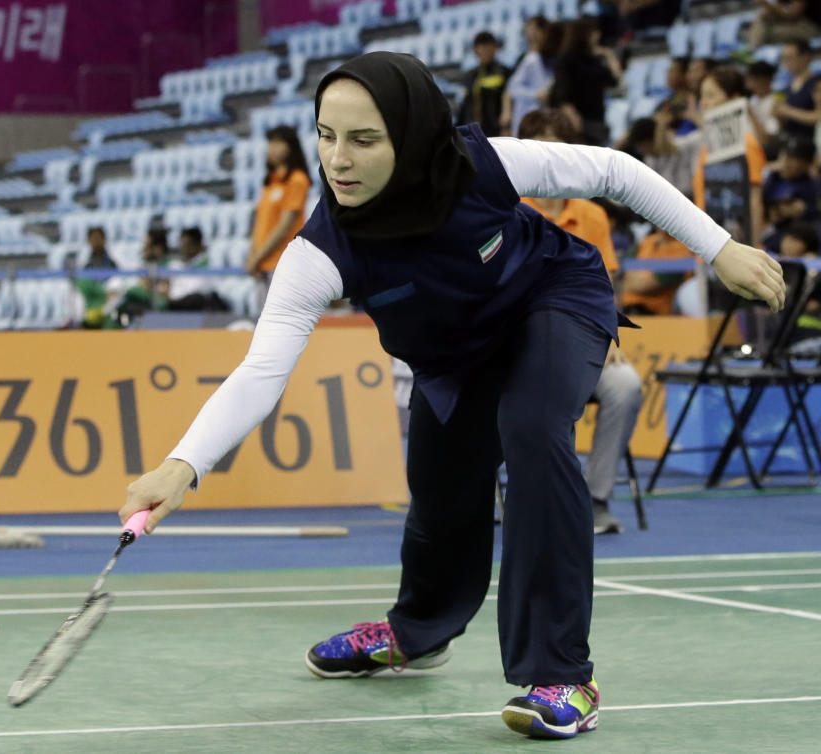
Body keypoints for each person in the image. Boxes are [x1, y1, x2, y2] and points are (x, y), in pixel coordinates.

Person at [119, 53, 784, 741]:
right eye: (325, 135)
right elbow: (262, 370)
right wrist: (182, 464)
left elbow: (612, 170)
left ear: (409, 134)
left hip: (551, 299)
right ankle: (418, 631)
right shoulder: (323, 249)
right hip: (454, 359)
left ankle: (561, 673)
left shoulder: (481, 164)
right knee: (437, 495)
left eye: (363, 139)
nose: (338, 160)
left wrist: (720, 247)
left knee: (532, 430)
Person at [518, 108, 642, 535]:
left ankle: (595, 499)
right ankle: (518, 496)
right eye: (538, 148)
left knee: (626, 386)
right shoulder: (506, 211)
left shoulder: (593, 216)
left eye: (556, 147)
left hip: (580, 348)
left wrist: (607, 341)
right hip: (519, 351)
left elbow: (605, 289)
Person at [692, 66, 768, 246]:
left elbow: (754, 201)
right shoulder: (708, 147)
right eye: (702, 96)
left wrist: (754, 246)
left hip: (736, 249)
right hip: (706, 247)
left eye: (711, 96)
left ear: (734, 99)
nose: (704, 103)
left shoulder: (746, 144)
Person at [246, 125, 312, 306]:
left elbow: (284, 227)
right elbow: (259, 223)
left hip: (283, 264)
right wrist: (253, 255)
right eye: (270, 143)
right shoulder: (270, 181)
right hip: (264, 264)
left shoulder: (297, 179)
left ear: (291, 147)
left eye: (277, 143)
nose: (271, 149)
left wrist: (256, 258)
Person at [548, 17, 622, 145]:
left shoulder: (594, 60)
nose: (598, 36)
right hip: (577, 120)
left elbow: (615, 79)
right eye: (594, 32)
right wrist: (574, 119)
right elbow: (562, 95)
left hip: (596, 119)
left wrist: (609, 54)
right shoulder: (566, 60)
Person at [762, 138, 820, 252]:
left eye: (794, 158)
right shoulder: (774, 178)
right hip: (770, 234)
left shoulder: (812, 186)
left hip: (798, 237)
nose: (786, 161)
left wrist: (804, 210)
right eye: (786, 155)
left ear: (807, 164)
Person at [621, 230, 694, 315]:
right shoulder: (646, 241)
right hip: (623, 308)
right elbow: (616, 276)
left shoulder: (685, 250)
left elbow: (647, 285)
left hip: (652, 312)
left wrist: (627, 281)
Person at [457, 31, 510, 138]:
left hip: (497, 133)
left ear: (495, 48)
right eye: (481, 46)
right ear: (476, 50)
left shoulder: (505, 72)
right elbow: (465, 106)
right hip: (472, 134)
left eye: (488, 46)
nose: (485, 50)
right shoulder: (470, 76)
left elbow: (509, 100)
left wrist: (506, 127)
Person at [773, 41, 821, 145]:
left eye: (790, 58)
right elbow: (783, 125)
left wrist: (788, 111)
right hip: (790, 140)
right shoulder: (787, 87)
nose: (787, 62)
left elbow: (819, 116)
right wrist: (779, 116)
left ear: (806, 57)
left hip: (810, 142)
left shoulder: (817, 84)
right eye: (784, 58)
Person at [748, 0, 821, 48]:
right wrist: (767, 11)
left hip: (811, 27)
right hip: (795, 24)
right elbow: (777, 8)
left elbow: (794, 16)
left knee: (769, 33)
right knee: (761, 19)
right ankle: (752, 48)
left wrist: (767, 5)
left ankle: (753, 50)